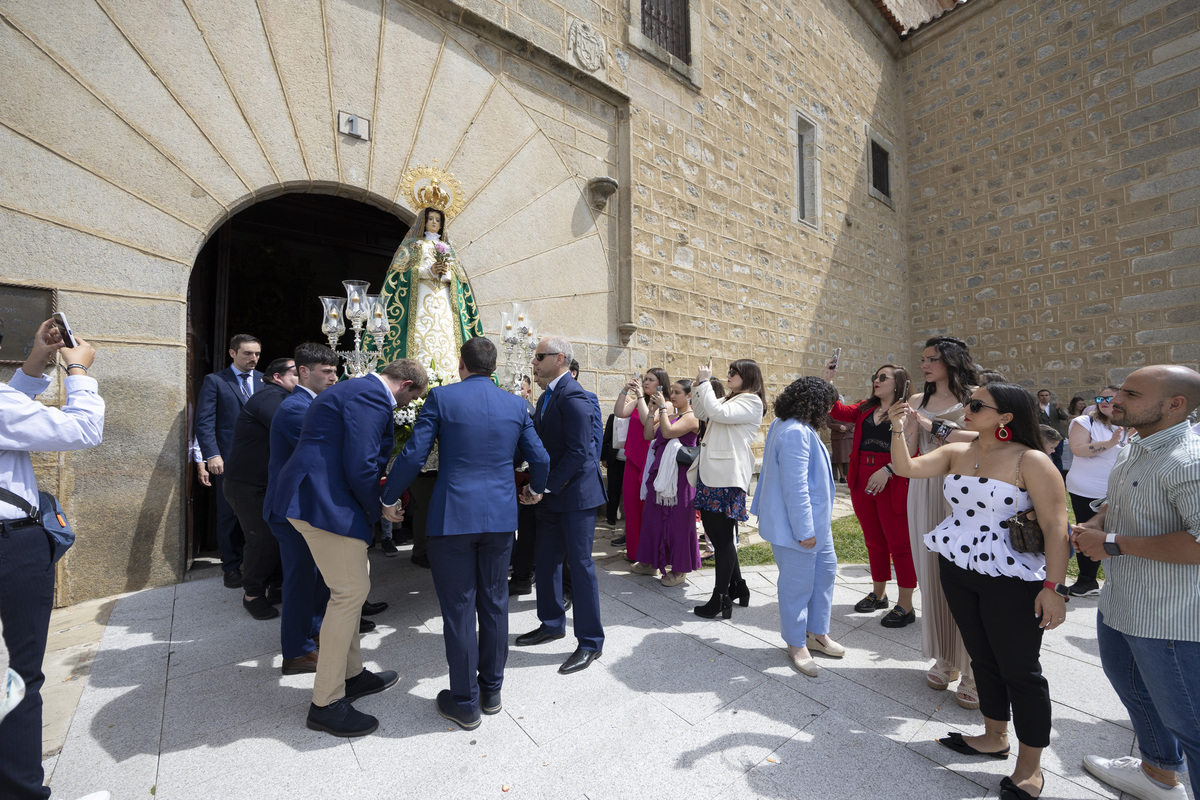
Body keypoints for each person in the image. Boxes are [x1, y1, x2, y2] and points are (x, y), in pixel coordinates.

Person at [890, 383, 1069, 800]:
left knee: (1021, 670)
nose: (965, 410)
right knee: (982, 655)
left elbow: (1056, 528)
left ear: (1005, 417)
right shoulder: (958, 451)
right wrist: (899, 429)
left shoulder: (1032, 460)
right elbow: (907, 470)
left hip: (1012, 577)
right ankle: (994, 736)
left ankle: (1030, 768)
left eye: (975, 405)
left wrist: (1054, 588)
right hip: (958, 566)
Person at [383, 337, 549, 730]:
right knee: (494, 602)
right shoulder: (516, 404)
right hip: (500, 518)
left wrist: (389, 496)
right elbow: (539, 457)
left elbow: (413, 453)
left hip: (453, 517)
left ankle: (464, 700)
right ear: (493, 367)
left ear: (461, 364)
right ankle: (491, 690)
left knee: (459, 609)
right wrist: (535, 489)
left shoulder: (442, 399)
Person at [266, 359, 427, 737]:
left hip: (319, 495)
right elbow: (361, 463)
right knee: (349, 592)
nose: (402, 408)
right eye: (408, 401)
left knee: (356, 586)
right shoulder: (373, 396)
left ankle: (352, 676)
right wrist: (382, 506)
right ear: (404, 385)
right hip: (323, 501)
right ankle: (326, 702)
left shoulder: (355, 388)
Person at [1072, 365, 1200, 800]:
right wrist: (1095, 522)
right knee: (1133, 690)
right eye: (1116, 391)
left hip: (1169, 621)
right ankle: (1158, 773)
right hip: (1122, 601)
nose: (1115, 400)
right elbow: (1121, 499)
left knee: (1191, 725)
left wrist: (1111, 544)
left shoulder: (1189, 460)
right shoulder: (1135, 444)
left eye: (1131, 393)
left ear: (1175, 404)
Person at [0, 319, 104, 800]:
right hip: (11, 545)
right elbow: (83, 429)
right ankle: (22, 791)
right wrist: (78, 372)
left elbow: (10, 412)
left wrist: (36, 361)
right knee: (20, 674)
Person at [514, 336, 607, 675]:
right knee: (546, 559)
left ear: (560, 359)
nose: (534, 362)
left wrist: (545, 486)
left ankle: (590, 642)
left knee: (580, 567)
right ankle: (552, 623)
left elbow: (581, 453)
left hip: (575, 497)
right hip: (551, 496)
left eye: (539, 356)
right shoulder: (549, 395)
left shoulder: (575, 396)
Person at [902, 335, 979, 708]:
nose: (925, 364)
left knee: (966, 576)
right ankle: (945, 656)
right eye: (923, 358)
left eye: (932, 358)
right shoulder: (918, 400)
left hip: (964, 489)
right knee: (931, 576)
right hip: (924, 487)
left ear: (951, 360)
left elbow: (981, 438)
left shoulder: (977, 397)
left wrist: (932, 425)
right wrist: (902, 425)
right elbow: (909, 446)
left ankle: (974, 668)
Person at [753, 377, 843, 677]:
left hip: (816, 523)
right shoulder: (793, 432)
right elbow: (796, 488)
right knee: (797, 585)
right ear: (816, 406)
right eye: (828, 406)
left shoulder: (794, 425)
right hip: (798, 527)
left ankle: (816, 632)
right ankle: (796, 642)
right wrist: (805, 532)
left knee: (825, 573)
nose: (831, 412)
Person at [263, 344, 340, 676]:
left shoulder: (315, 403)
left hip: (308, 508)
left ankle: (312, 634)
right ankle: (296, 653)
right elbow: (330, 452)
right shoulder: (296, 408)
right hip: (290, 509)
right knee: (299, 581)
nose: (334, 377)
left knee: (317, 577)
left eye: (336, 371)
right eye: (327, 372)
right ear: (305, 372)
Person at [827, 362, 916, 627]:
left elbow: (914, 450)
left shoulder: (907, 412)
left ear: (899, 383)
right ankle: (879, 594)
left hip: (892, 478)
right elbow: (838, 411)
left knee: (899, 544)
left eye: (883, 378)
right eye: (875, 377)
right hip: (861, 478)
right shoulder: (866, 408)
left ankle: (906, 604)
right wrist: (828, 379)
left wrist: (888, 470)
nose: (876, 381)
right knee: (874, 540)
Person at [691, 359, 766, 619]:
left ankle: (720, 598)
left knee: (721, 539)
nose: (729, 375)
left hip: (725, 478)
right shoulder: (730, 400)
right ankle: (738, 586)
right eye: (730, 371)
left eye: (735, 372)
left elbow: (716, 414)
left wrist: (704, 383)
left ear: (749, 376)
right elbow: (702, 411)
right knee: (719, 535)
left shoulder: (751, 401)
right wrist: (699, 384)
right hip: (714, 474)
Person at [223, 357, 296, 620]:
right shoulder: (268, 397)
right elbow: (290, 427)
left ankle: (276, 587)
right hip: (247, 484)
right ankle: (252, 594)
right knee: (261, 539)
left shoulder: (284, 397)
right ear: (277, 376)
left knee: (278, 536)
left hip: (267, 484)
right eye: (296, 372)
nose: (301, 376)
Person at [379, 204, 484, 379]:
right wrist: (428, 271)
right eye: (430, 219)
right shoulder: (414, 247)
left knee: (447, 338)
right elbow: (399, 276)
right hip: (420, 302)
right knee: (421, 337)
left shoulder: (450, 250)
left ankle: (449, 377)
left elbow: (460, 281)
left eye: (438, 220)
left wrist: (446, 273)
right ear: (424, 222)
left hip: (444, 305)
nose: (434, 222)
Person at [195, 333, 263, 587]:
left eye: (257, 353)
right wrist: (212, 454)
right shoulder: (215, 381)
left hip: (260, 460)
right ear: (232, 353)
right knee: (229, 514)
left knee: (257, 514)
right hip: (228, 460)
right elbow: (205, 422)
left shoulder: (264, 380)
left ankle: (256, 563)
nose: (253, 358)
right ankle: (231, 566)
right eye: (247, 353)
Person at [632, 380, 701, 586]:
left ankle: (680, 570)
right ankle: (650, 562)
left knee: (679, 524)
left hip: (680, 478)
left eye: (677, 393)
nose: (672, 396)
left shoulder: (693, 418)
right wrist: (653, 410)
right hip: (660, 474)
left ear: (689, 396)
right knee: (652, 518)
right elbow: (648, 434)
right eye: (672, 392)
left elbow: (669, 432)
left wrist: (662, 408)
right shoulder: (671, 414)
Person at [1063, 385, 1125, 598]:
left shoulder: (1131, 424)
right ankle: (1087, 580)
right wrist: (1110, 443)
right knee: (1087, 531)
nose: (1105, 402)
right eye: (1101, 399)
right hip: (1087, 490)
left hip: (1120, 490)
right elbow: (1078, 449)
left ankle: (1119, 580)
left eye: (1111, 398)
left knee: (1120, 532)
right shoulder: (1084, 422)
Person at [612, 368, 668, 557]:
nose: (645, 383)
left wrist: (641, 398)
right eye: (645, 379)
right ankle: (634, 552)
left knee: (647, 509)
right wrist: (624, 391)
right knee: (631, 506)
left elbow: (648, 422)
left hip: (650, 461)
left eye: (650, 380)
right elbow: (619, 412)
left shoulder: (665, 404)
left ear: (660, 383)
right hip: (632, 459)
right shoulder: (639, 401)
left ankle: (649, 553)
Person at [1037, 389, 1070, 475]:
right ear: (1039, 397)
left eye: (1046, 395)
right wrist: (1042, 411)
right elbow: (1036, 420)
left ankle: (1059, 478)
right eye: (1042, 395)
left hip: (1057, 436)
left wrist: (1059, 410)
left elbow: (1064, 417)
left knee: (1057, 458)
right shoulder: (1035, 408)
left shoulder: (1055, 406)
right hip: (1043, 437)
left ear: (1050, 396)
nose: (1044, 397)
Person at [601, 413, 626, 526]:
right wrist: (604, 458)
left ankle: (627, 518)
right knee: (613, 489)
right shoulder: (613, 417)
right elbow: (606, 437)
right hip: (614, 460)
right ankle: (611, 517)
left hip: (629, 461)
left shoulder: (636, 417)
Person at [830, 417, 853, 483]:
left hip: (848, 435)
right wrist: (839, 427)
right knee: (838, 456)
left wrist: (846, 427)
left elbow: (854, 420)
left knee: (849, 457)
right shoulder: (831, 411)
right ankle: (842, 476)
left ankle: (849, 476)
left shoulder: (849, 409)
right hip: (837, 437)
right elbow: (829, 423)